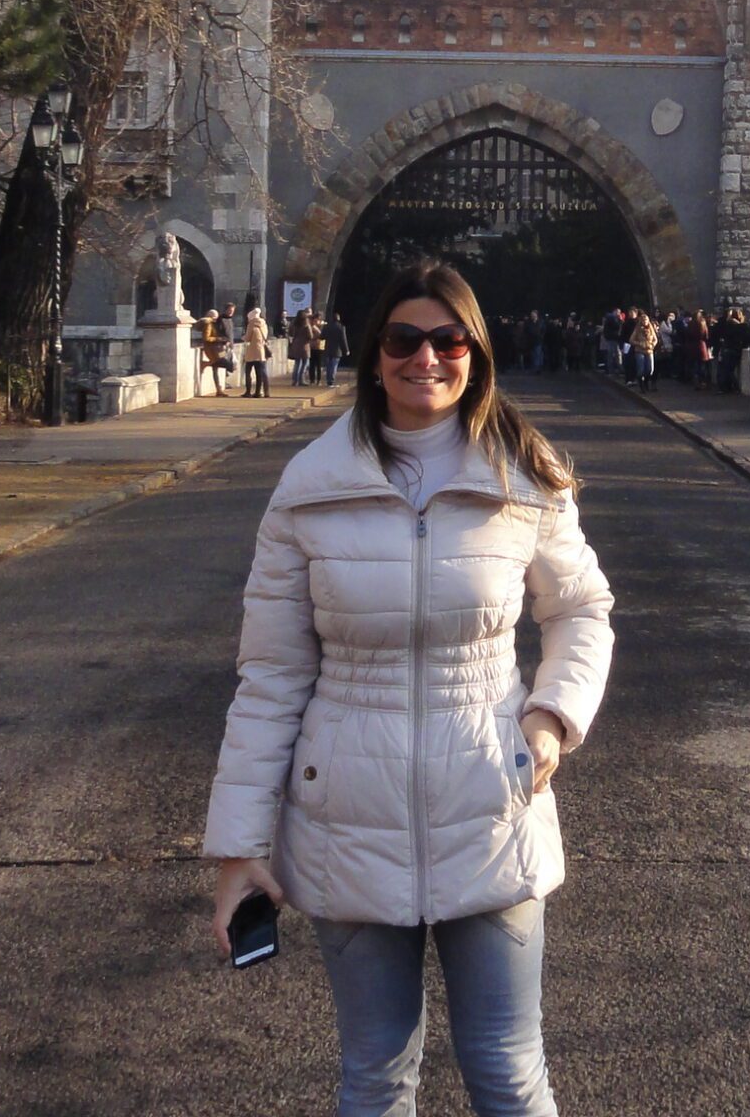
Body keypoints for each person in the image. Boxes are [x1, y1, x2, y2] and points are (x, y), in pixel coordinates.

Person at [205, 259, 614, 1117]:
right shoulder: (310, 489)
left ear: (475, 352)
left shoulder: (524, 475)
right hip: (347, 815)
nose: (424, 358)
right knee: (376, 1079)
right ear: (372, 351)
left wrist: (551, 716)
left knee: (508, 1072)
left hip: (490, 801)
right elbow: (272, 677)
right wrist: (239, 845)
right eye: (402, 339)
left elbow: (581, 611)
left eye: (447, 339)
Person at [240, 303, 271, 397]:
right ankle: (259, 392)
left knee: (248, 372)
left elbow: (248, 338)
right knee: (259, 373)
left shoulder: (251, 324)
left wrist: (243, 337)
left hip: (252, 352)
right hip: (261, 352)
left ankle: (248, 391)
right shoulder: (264, 324)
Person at [198, 305, 229, 396]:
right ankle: (219, 390)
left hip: (217, 348)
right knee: (217, 363)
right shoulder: (208, 324)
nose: (216, 318)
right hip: (212, 348)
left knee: (221, 363)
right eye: (215, 317)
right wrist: (218, 339)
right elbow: (206, 338)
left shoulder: (213, 324)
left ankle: (219, 389)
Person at [625, 308, 658, 390]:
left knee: (650, 369)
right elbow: (631, 340)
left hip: (649, 350)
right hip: (639, 351)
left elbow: (655, 339)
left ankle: (646, 381)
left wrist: (652, 345)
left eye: (646, 320)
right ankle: (642, 384)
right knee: (641, 369)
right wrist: (639, 344)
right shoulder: (637, 329)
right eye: (643, 320)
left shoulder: (651, 329)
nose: (645, 321)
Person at [288, 307, 315, 387]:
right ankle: (301, 379)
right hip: (304, 345)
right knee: (305, 363)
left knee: (297, 363)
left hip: (296, 344)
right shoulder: (306, 324)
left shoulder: (294, 323)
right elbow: (310, 336)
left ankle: (294, 380)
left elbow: (290, 333)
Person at [321, 313, 348, 387]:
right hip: (337, 350)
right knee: (334, 366)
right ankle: (331, 381)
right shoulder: (341, 327)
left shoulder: (326, 327)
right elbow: (343, 339)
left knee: (328, 366)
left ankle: (328, 380)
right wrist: (346, 350)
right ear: (338, 319)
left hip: (328, 348)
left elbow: (322, 337)